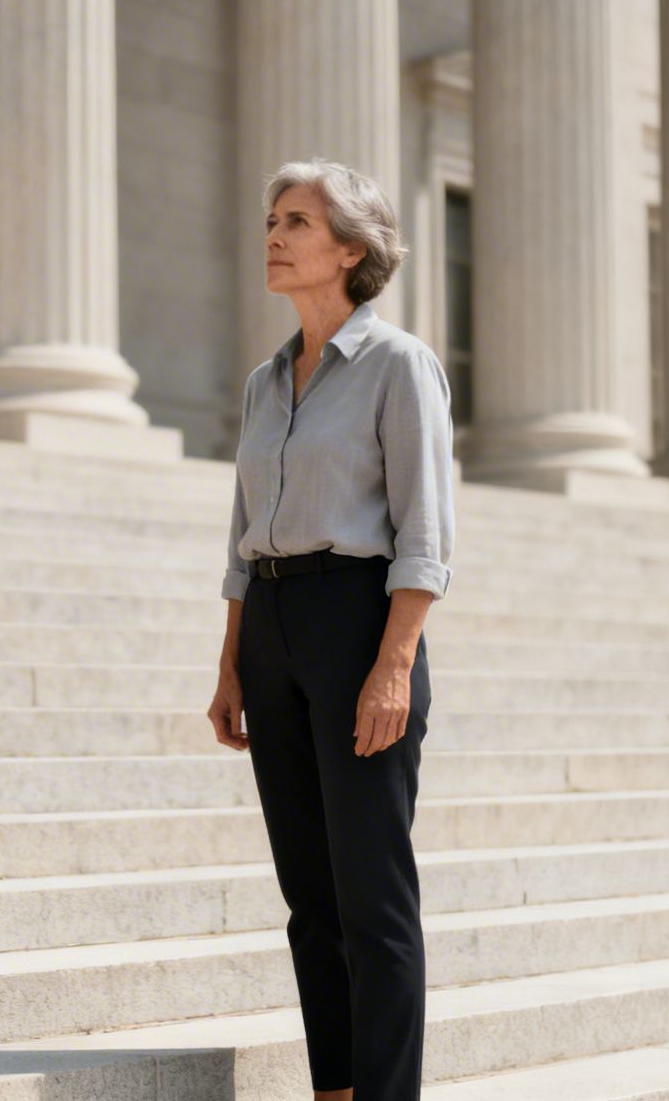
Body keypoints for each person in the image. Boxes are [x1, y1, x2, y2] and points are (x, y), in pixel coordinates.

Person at [206, 158, 457, 1101]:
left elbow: (425, 536)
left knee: (372, 900)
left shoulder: (398, 366)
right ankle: (334, 1092)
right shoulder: (264, 384)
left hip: (359, 624)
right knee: (309, 900)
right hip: (271, 624)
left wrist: (394, 666)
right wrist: (232, 664)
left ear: (352, 250)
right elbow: (240, 536)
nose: (273, 234)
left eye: (298, 222)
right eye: (272, 218)